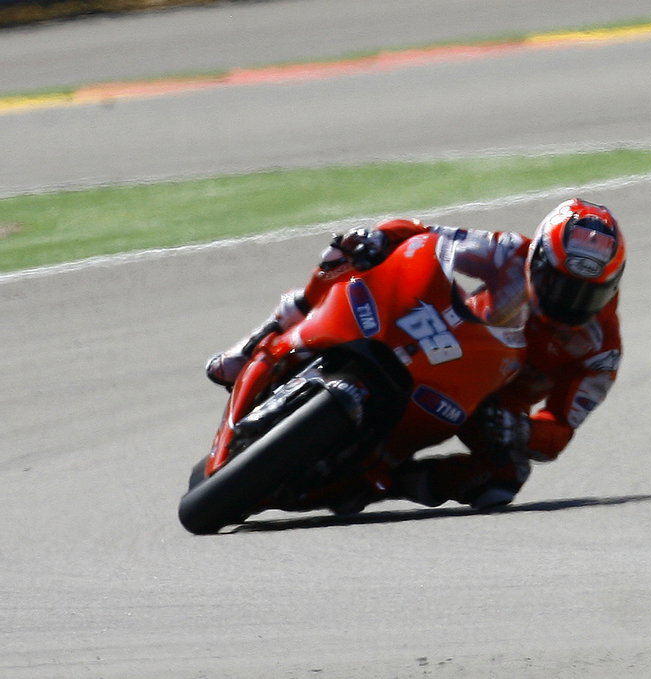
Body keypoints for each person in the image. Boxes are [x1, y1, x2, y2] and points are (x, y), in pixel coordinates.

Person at [206, 197, 626, 512]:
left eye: (588, 293)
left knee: (502, 481)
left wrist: (523, 431)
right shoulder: (509, 252)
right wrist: (379, 239)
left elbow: (561, 429)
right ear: (537, 260)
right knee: (345, 256)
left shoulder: (601, 350)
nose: (569, 303)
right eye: (559, 284)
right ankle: (256, 344)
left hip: (485, 401)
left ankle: (390, 482)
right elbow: (428, 235)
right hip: (455, 339)